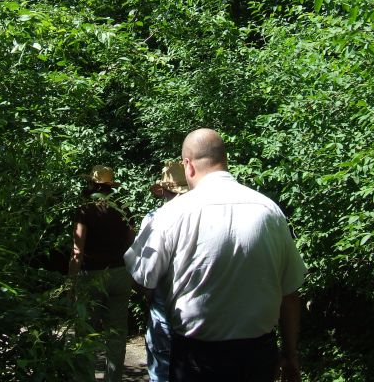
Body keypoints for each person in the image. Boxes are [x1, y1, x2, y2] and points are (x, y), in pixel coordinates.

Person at [124, 129, 307, 382]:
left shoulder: (171, 214)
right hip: (258, 356)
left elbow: (141, 280)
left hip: (196, 358)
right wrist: (290, 354)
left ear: (188, 165)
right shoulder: (269, 211)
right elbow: (290, 294)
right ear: (225, 159)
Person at [69, 165, 134, 382]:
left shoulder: (85, 210)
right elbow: (131, 244)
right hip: (120, 274)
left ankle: (85, 378)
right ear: (110, 186)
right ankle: (113, 378)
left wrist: (71, 283)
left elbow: (77, 251)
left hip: (91, 277)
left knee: (86, 333)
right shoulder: (123, 208)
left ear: (92, 184)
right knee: (117, 333)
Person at [127, 161, 189, 382]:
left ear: (163, 190)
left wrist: (148, 295)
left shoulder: (154, 218)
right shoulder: (204, 215)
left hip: (163, 306)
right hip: (200, 310)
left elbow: (143, 270)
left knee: (162, 368)